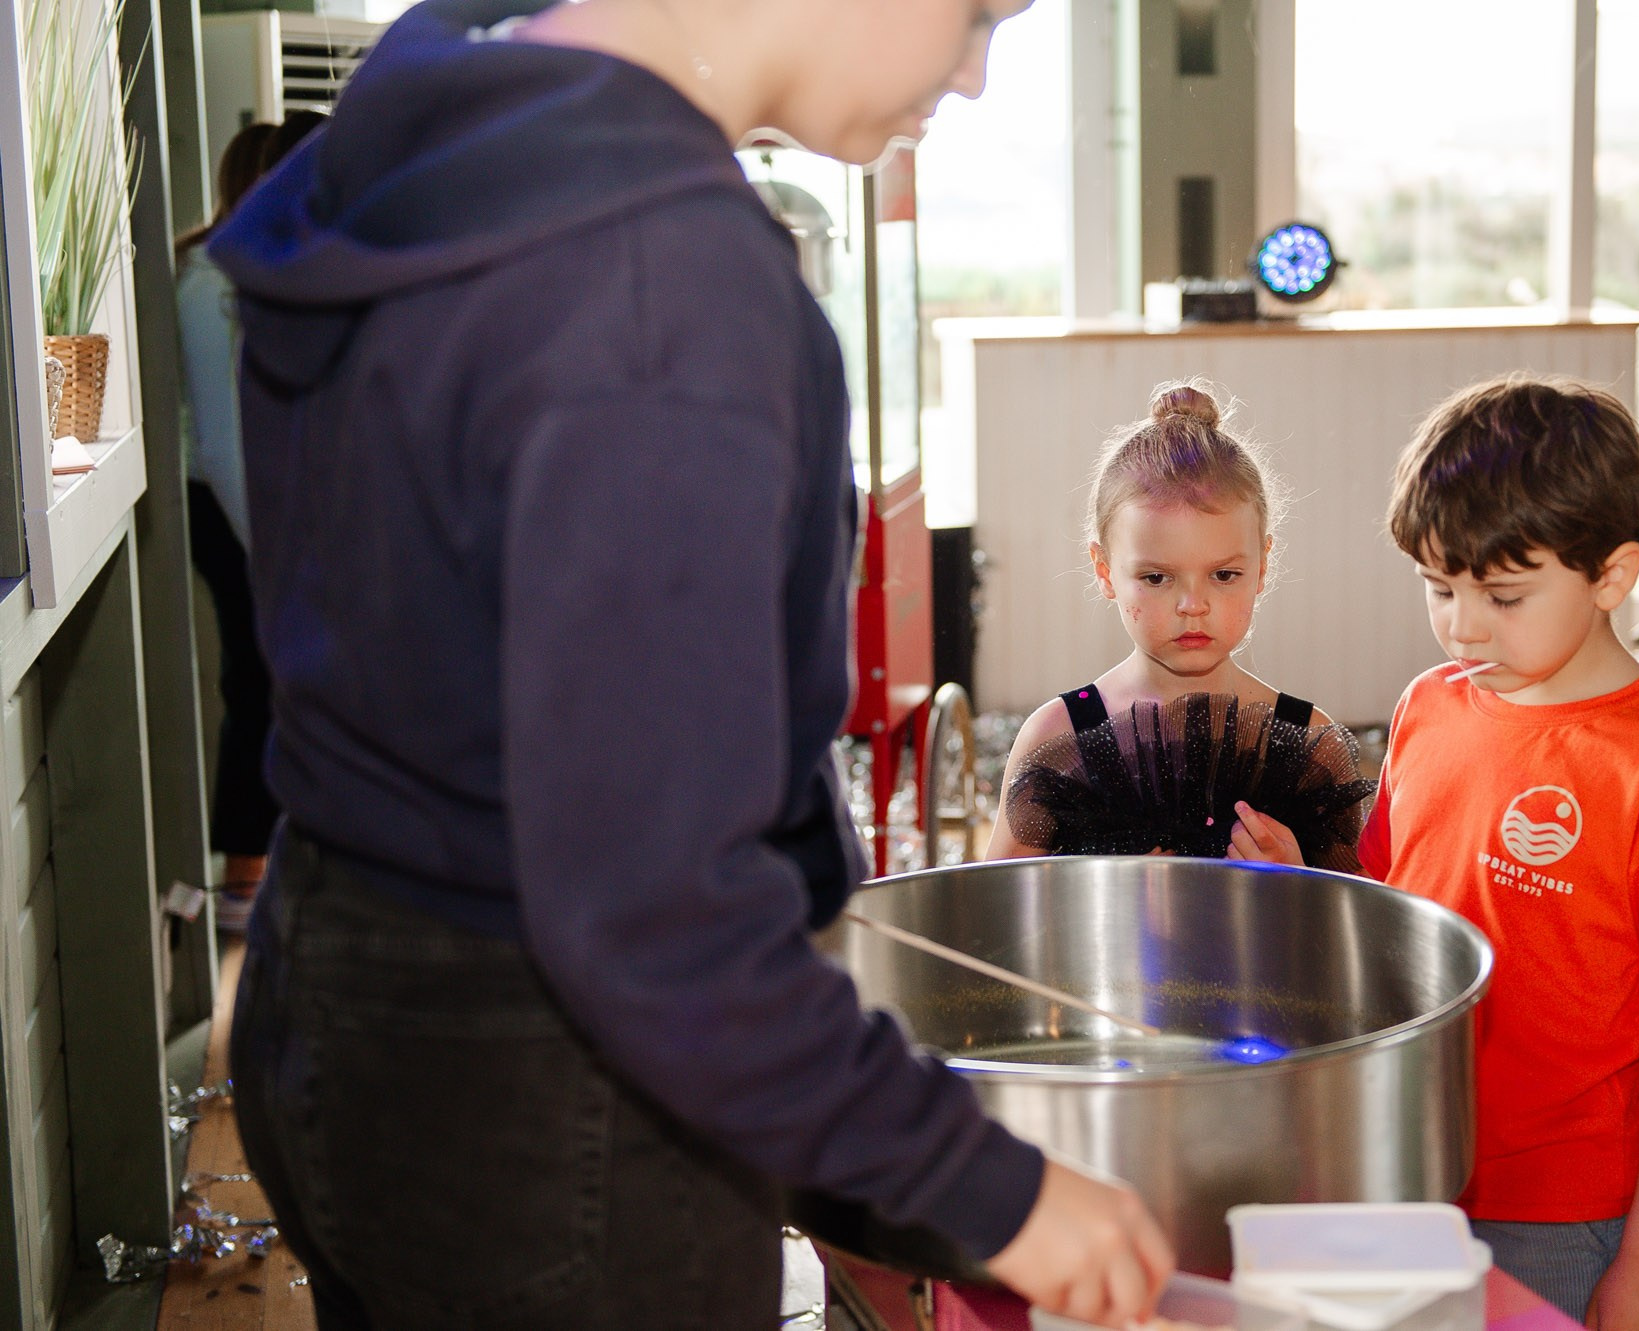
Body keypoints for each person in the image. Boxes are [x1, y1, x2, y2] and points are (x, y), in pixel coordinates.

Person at [207, 0, 1173, 1327]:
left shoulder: (439, 103)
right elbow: (653, 909)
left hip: (337, 998)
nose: (976, 73)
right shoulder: (660, 285)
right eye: (979, 12)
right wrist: (988, 1184)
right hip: (556, 1082)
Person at [1360, 375, 1639, 1328]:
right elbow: (1395, 911)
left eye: (1503, 594)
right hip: (1405, 1164)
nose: (1462, 623)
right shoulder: (1428, 704)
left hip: (1562, 1207)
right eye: (1439, 586)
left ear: (1612, 576)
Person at [984, 381, 1373, 871]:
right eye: (1156, 577)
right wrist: (1098, 896)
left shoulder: (1307, 742)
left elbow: (1355, 923)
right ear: (1105, 571)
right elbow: (1000, 917)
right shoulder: (1059, 737)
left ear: (1263, 566)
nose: (1193, 605)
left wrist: (1296, 882)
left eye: (1224, 575)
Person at [176, 121, 281, 930]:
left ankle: (254, 869)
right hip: (220, 506)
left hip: (234, 502)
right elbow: (218, 444)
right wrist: (271, 548)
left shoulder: (230, 271)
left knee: (260, 677)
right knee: (256, 679)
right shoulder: (211, 285)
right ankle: (245, 878)